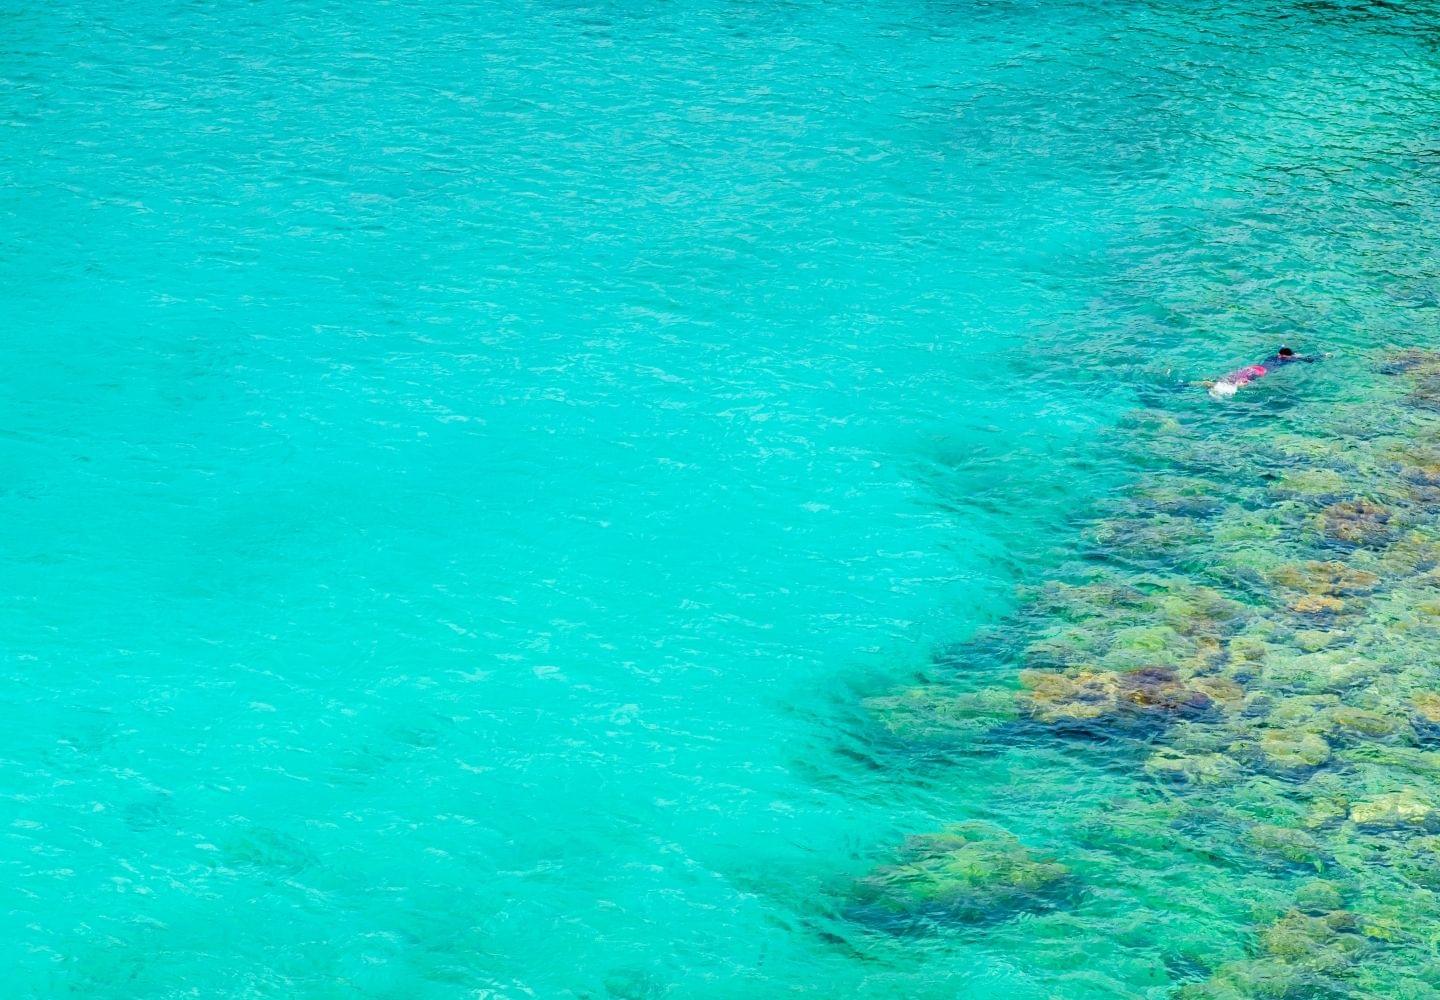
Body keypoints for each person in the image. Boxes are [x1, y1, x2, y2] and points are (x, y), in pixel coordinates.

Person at [1206, 346, 1319, 399]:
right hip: (1260, 372)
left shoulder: (1273, 356)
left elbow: (1282, 350)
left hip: (1252, 367)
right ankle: (1224, 389)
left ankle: (1207, 383)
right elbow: (1308, 359)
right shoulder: (1288, 359)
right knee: (1239, 384)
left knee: (1232, 377)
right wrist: (1324, 356)